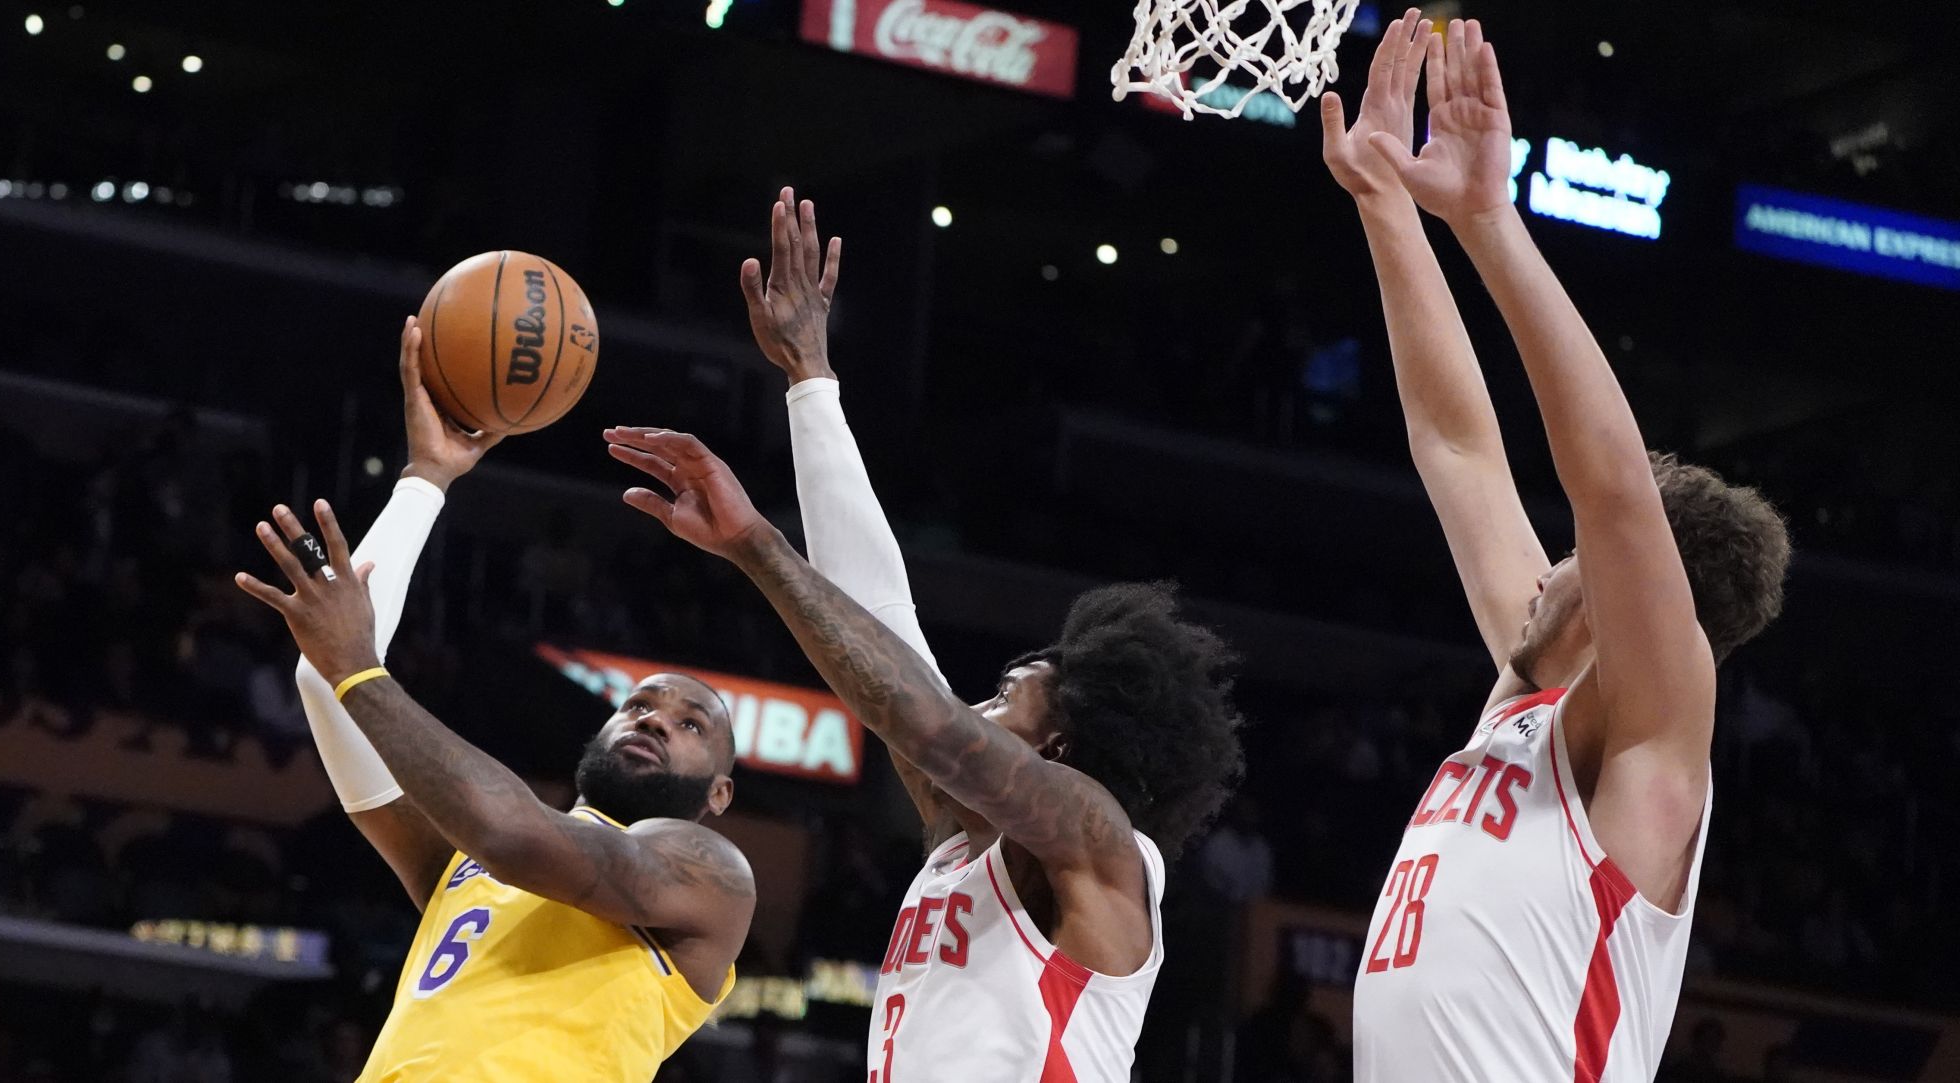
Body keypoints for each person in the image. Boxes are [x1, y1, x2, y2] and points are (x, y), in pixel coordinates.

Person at [602, 190, 1247, 1082]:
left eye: (1005, 694)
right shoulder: (961, 837)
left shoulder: (1097, 841)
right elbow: (881, 620)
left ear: (1058, 744)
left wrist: (757, 544)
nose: (975, 703)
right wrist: (809, 380)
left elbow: (928, 721)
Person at [1319, 13, 1790, 1081]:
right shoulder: (1533, 694)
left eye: (1576, 549)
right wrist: (1386, 205)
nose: (1551, 558)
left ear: (1636, 585)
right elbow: (1454, 447)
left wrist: (1489, 220)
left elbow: (1614, 491)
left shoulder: (1654, 738)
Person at [234, 321, 755, 1081]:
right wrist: (425, 480)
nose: (653, 718)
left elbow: (510, 830)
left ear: (720, 789)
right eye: (638, 705)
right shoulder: (463, 860)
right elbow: (330, 680)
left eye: (689, 723)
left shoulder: (711, 874)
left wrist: (356, 667)